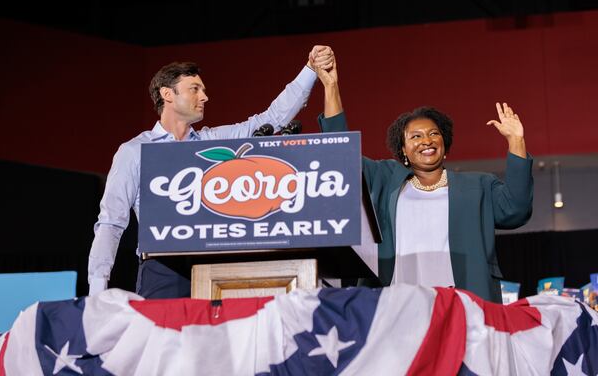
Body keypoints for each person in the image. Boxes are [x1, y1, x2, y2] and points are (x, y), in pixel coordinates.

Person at [88, 46, 335, 298]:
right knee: (168, 337)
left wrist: (309, 70)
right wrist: (97, 290)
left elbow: (271, 119)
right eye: (195, 89)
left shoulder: (213, 143)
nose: (205, 96)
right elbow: (111, 221)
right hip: (163, 268)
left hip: (217, 266)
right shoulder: (135, 151)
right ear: (167, 94)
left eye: (203, 90)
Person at [312, 51, 533, 303]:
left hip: (464, 304)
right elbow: (341, 153)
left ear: (445, 143)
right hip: (397, 305)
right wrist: (331, 87)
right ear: (403, 150)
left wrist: (517, 141)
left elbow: (517, 209)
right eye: (415, 136)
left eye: (433, 134)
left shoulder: (478, 186)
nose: (426, 140)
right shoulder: (385, 178)